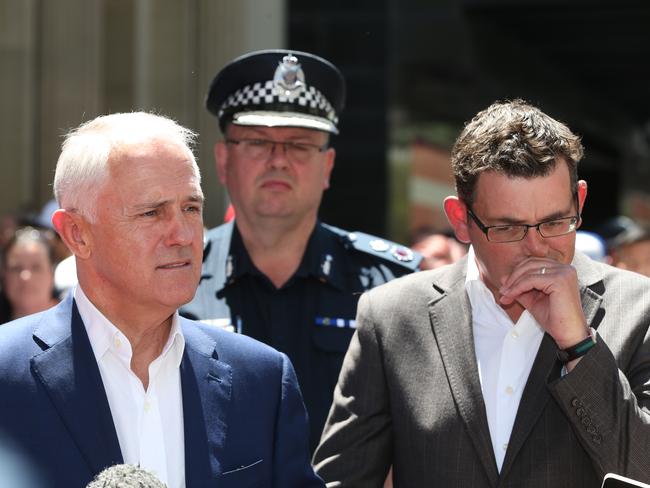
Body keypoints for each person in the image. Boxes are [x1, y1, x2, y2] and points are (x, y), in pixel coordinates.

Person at [313, 100, 650, 486]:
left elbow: (644, 468)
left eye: (556, 222)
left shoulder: (640, 309)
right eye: (508, 228)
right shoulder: (393, 316)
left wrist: (578, 346)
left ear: (581, 202)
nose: (537, 248)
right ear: (460, 220)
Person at [0, 112, 323, 488]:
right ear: (76, 234)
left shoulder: (261, 380)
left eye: (191, 208)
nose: (183, 234)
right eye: (152, 212)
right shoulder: (7, 375)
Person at [180, 49, 421, 449]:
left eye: (299, 145)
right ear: (223, 161)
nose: (279, 161)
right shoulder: (174, 275)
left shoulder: (390, 284)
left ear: (327, 167)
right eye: (258, 142)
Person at [0, 226, 59, 323]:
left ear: (52, 273)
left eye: (36, 268)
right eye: (16, 268)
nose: (25, 277)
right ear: (4, 274)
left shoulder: (76, 325)